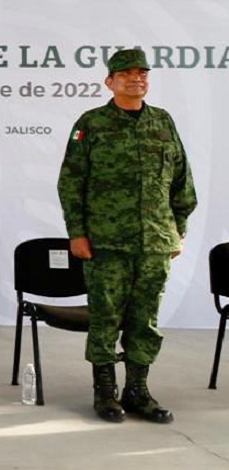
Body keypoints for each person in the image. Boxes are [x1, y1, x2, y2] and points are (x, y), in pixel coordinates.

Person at [58, 48, 196, 424]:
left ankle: (138, 390)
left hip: (155, 243)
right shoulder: (93, 123)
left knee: (145, 320)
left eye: (142, 73)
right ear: (110, 81)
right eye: (126, 74)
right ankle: (105, 393)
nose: (136, 79)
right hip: (106, 244)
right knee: (105, 317)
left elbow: (182, 183)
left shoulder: (163, 123)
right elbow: (71, 182)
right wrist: (77, 234)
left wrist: (177, 231)